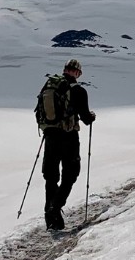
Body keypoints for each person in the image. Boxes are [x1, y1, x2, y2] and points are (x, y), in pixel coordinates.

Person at [36, 57, 96, 230]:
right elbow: (85, 119)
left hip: (50, 136)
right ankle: (56, 207)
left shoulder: (48, 86)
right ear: (77, 72)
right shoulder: (78, 90)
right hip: (68, 137)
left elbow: (39, 112)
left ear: (64, 70)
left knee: (51, 176)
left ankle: (50, 215)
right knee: (71, 173)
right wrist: (91, 116)